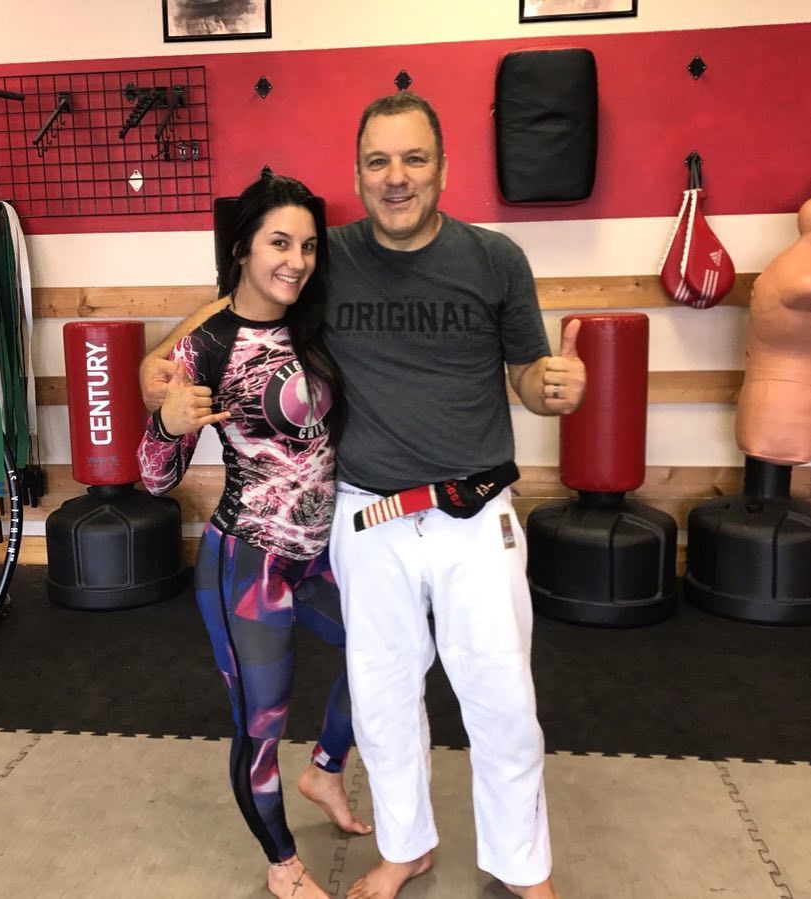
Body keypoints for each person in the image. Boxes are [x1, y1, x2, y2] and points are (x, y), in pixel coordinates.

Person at [141, 93, 586, 899]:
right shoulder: (324, 259)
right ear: (357, 174)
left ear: (442, 167)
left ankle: (523, 866)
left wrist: (549, 387)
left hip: (475, 513)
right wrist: (158, 377)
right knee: (382, 702)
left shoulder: (494, 259)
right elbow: (220, 317)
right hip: (367, 515)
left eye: (414, 158)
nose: (396, 177)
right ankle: (405, 847)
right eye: (378, 161)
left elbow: (527, 372)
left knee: (503, 705)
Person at [137, 174, 371, 899]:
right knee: (261, 722)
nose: (296, 261)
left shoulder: (316, 322)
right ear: (242, 249)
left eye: (308, 246)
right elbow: (153, 478)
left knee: (384, 657)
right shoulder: (206, 347)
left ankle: (324, 771)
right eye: (279, 243)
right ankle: (281, 863)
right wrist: (166, 423)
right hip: (249, 563)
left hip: (321, 553)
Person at [736, 196, 811, 465]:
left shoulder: (788, 261)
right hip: (783, 400)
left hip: (780, 390)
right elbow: (803, 289)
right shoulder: (802, 271)